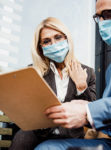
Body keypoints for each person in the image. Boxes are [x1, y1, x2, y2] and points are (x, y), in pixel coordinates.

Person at [34, 0, 111, 150]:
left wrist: (89, 110)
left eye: (107, 14)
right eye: (98, 17)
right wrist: (83, 110)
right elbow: (109, 118)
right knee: (48, 148)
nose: (101, 22)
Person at [8, 17, 96, 150]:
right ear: (40, 47)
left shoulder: (88, 72)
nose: (53, 44)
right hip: (39, 133)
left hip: (70, 137)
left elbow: (92, 116)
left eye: (58, 37)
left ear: (67, 38)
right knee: (22, 137)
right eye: (47, 41)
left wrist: (82, 88)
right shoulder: (33, 72)